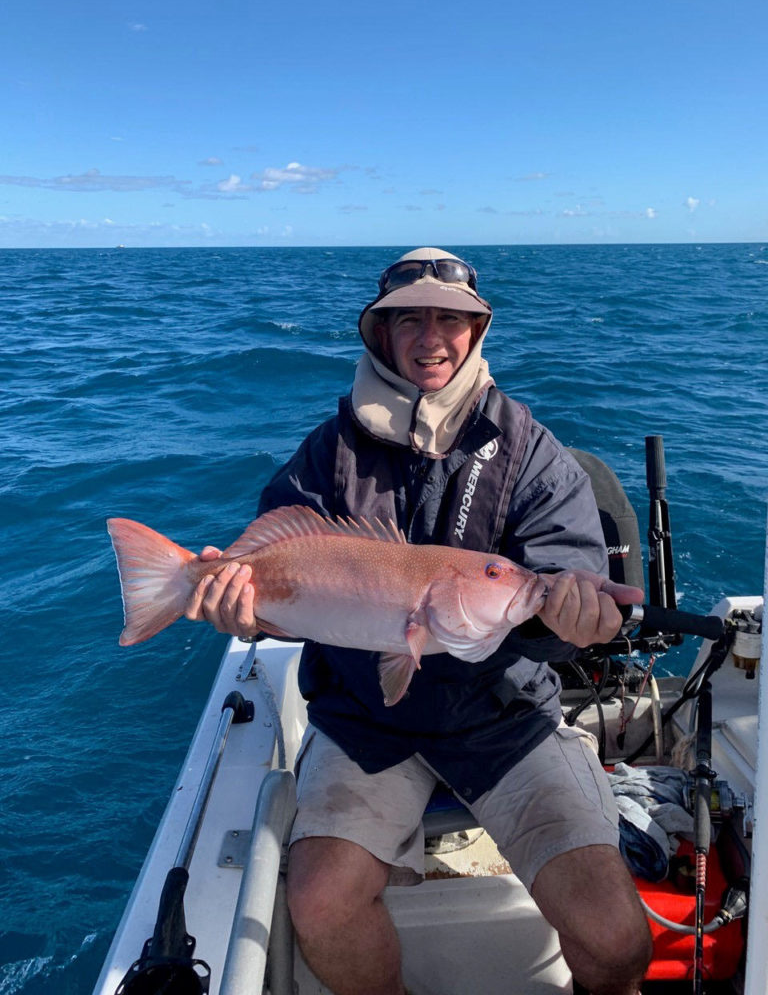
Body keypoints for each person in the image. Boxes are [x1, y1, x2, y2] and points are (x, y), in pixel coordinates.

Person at [185, 248, 653, 995]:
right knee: (320, 906)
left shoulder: (530, 451)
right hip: (366, 721)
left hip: (504, 716)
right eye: (411, 319)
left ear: (476, 331)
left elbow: (557, 588)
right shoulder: (328, 453)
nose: (432, 336)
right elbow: (281, 571)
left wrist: (577, 624)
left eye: (452, 319)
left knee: (618, 936)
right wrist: (245, 609)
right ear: (380, 334)